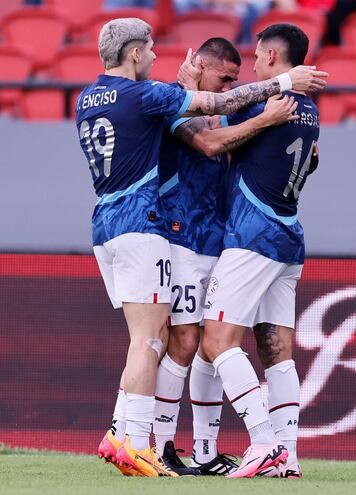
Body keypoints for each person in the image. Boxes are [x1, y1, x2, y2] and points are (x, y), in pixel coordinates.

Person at [75, 16, 327, 477]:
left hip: (222, 233)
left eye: (241, 71)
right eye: (225, 77)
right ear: (201, 68)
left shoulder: (102, 97)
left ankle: (204, 449)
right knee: (184, 340)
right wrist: (278, 96)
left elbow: (245, 140)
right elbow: (211, 140)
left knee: (203, 342)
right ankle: (156, 442)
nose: (239, 80)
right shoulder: (164, 102)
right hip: (175, 232)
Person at [177, 23, 321, 478]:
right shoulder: (309, 107)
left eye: (258, 58)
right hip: (288, 236)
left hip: (253, 235)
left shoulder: (270, 102)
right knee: (276, 351)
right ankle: (289, 456)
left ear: (273, 58)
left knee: (217, 341)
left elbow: (211, 129)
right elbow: (308, 157)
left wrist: (186, 89)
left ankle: (263, 442)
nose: (252, 69)